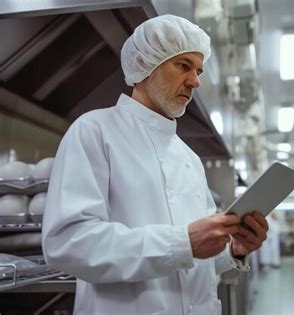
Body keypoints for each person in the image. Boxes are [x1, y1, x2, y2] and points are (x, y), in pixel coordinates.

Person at [42, 14, 268, 315]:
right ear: (145, 65)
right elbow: (68, 244)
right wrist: (182, 243)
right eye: (184, 66)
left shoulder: (189, 158)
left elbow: (197, 261)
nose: (195, 81)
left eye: (199, 70)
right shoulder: (94, 131)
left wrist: (233, 250)